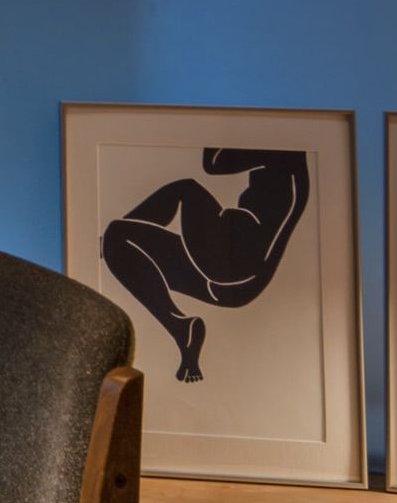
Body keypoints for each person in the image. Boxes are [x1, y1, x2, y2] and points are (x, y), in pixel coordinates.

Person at [98, 148, 310, 383]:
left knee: (186, 189)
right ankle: (180, 327)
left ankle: (113, 240)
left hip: (234, 259)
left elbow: (213, 162)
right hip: (234, 283)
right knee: (118, 237)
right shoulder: (290, 172)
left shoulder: (283, 153)